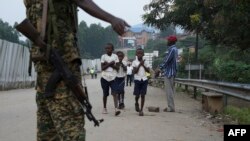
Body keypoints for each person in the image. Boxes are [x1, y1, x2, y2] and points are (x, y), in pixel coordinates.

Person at [23, 0, 129, 140]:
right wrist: (112, 19)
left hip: (43, 60)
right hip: (61, 56)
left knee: (47, 131)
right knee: (71, 129)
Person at [100, 43, 121, 116]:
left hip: (113, 77)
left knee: (115, 93)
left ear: (112, 49)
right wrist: (110, 64)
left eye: (109, 48)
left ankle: (116, 109)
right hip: (105, 77)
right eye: (106, 48)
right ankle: (104, 108)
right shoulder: (103, 56)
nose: (107, 50)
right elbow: (102, 68)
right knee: (105, 94)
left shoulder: (115, 56)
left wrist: (109, 64)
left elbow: (118, 68)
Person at [160, 35, 178, 112]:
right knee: (170, 90)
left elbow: (166, 60)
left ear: (171, 41)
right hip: (171, 72)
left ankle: (171, 107)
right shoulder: (174, 49)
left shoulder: (172, 49)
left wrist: (159, 68)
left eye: (168, 40)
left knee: (169, 90)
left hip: (169, 73)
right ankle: (171, 106)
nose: (167, 41)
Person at [132, 48, 150, 116]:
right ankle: (136, 102)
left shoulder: (146, 62)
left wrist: (143, 64)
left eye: (141, 53)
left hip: (144, 80)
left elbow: (148, 71)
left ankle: (141, 110)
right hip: (137, 80)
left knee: (143, 95)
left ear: (143, 54)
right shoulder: (134, 62)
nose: (139, 54)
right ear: (136, 54)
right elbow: (134, 72)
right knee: (137, 95)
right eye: (138, 53)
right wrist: (140, 64)